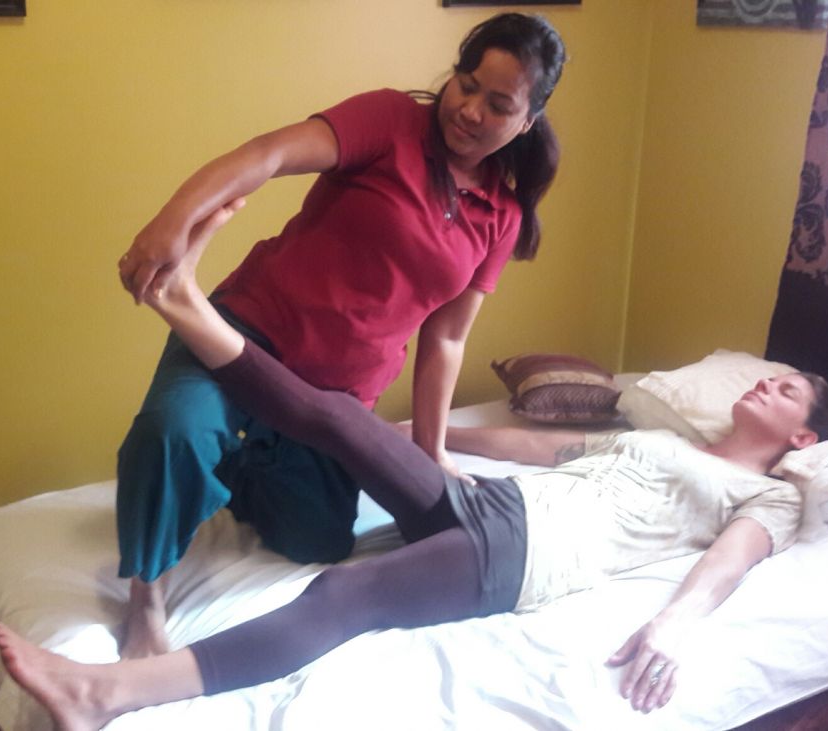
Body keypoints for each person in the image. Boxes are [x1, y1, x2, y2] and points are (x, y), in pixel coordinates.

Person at [0, 203, 828, 730]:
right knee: (340, 417)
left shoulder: (767, 496)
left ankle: (107, 692)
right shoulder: (664, 439)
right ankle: (187, 304)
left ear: (802, 437)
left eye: (786, 389)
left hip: (528, 557)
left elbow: (727, 565)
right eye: (772, 375)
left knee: (344, 595)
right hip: (493, 505)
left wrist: (673, 626)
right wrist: (429, 437)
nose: (767, 383)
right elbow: (541, 447)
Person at [114, 12, 568, 659]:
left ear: (527, 121)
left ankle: (237, 458)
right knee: (173, 433)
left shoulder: (502, 215)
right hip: (245, 334)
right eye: (466, 84)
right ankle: (146, 598)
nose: (470, 110)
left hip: (332, 399)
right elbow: (267, 154)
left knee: (317, 539)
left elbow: (445, 340)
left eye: (498, 105)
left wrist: (433, 450)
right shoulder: (389, 121)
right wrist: (172, 222)